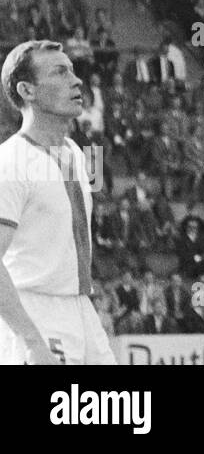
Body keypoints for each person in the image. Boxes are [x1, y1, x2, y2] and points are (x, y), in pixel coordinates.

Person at [0, 40, 118, 364]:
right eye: (60, 72)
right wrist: (32, 342)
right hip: (35, 312)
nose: (76, 80)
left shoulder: (75, 154)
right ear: (27, 90)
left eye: (73, 71)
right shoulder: (10, 162)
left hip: (80, 308)